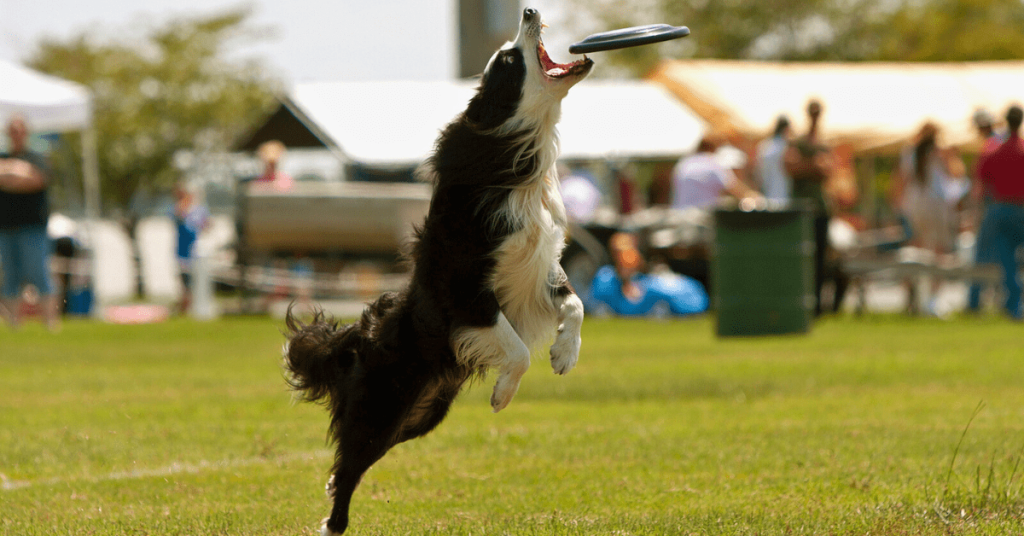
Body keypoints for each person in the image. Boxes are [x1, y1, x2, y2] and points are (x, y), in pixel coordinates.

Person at [893, 122, 966, 316]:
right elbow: (957, 174)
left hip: (915, 207)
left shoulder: (909, 152)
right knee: (939, 253)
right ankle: (932, 300)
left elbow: (901, 182)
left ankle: (912, 295)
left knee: (917, 248)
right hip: (937, 206)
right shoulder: (940, 152)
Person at [0, 116, 60, 332]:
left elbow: (35, 180)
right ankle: (14, 325)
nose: (16, 135)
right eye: (12, 131)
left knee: (38, 273)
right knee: (10, 277)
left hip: (33, 227)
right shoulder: (3, 156)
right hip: (5, 227)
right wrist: (18, 172)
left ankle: (51, 323)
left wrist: (8, 175)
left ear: (26, 133)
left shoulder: (38, 158)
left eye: (20, 131)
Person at [784, 99, 834, 316]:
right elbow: (791, 167)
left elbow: (829, 170)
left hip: (820, 209)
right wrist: (813, 166)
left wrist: (816, 167)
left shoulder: (822, 143)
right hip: (802, 210)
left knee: (821, 259)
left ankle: (817, 306)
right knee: (801, 258)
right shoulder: (799, 142)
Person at [976, 105, 1024, 320]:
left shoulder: (995, 150)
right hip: (1021, 209)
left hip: (1000, 209)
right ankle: (1014, 304)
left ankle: (1012, 304)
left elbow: (981, 183)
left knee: (1006, 260)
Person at [967, 108, 1002, 313]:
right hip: (1009, 205)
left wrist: (974, 211)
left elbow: (980, 187)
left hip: (992, 207)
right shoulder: (1003, 142)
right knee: (1003, 256)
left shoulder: (990, 148)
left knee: (981, 255)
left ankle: (974, 303)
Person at [671, 134, 759, 210]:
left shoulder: (683, 164)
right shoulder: (714, 164)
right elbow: (737, 191)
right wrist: (756, 198)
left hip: (679, 215)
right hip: (702, 219)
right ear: (714, 148)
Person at [173, 183, 210, 315]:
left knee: (196, 279)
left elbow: (207, 225)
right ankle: (185, 304)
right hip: (182, 250)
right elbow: (177, 215)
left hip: (195, 250)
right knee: (184, 280)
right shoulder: (179, 208)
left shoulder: (199, 210)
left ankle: (190, 304)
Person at [756, 115, 793, 203]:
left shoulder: (764, 145)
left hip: (767, 193)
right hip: (783, 194)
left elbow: (759, 173)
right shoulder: (786, 146)